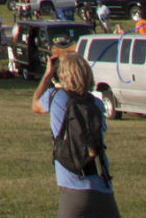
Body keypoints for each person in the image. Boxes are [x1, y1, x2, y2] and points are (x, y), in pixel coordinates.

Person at [32, 49, 119, 216]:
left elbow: (35, 104)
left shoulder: (56, 97)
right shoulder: (96, 104)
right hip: (103, 190)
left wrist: (48, 74)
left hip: (74, 191)